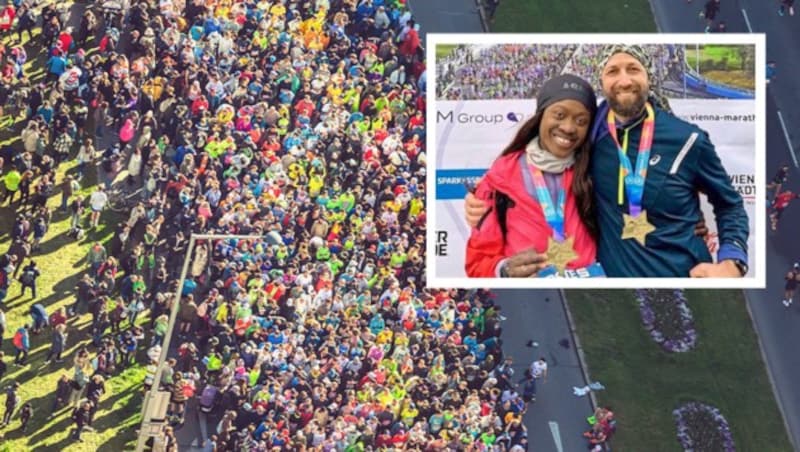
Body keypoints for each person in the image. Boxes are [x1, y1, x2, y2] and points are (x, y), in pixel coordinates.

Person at [465, 45, 749, 278]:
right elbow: (541, 155)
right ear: (602, 81)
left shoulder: (688, 139)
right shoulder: (590, 133)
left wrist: (732, 261)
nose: (624, 80)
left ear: (648, 76)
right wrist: (482, 197)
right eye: (613, 71)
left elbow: (730, 204)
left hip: (681, 276)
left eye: (633, 69)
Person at [466, 74, 600, 278]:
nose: (569, 128)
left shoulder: (596, 171)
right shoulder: (501, 179)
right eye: (559, 115)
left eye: (581, 121)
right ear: (541, 116)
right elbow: (477, 263)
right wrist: (504, 270)